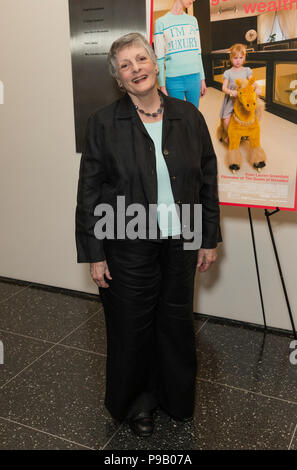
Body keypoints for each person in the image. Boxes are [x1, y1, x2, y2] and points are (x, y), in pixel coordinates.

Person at [75, 32, 221, 437]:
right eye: (125, 65)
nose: (135, 68)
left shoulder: (189, 116)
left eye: (141, 59)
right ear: (119, 79)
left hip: (181, 238)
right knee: (131, 325)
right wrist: (95, 252)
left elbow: (207, 178)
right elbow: (89, 191)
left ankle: (175, 398)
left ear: (156, 64)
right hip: (125, 240)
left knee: (175, 321)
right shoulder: (104, 123)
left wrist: (207, 237)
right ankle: (137, 404)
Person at [154, 0, 206, 108]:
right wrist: (162, 86)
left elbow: (198, 52)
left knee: (193, 115)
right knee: (177, 117)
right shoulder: (161, 22)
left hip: (194, 77)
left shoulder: (192, 20)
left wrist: (202, 78)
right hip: (173, 80)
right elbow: (159, 58)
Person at [220, 43, 262, 144]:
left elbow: (253, 83)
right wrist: (231, 92)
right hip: (232, 98)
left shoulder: (247, 71)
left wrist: (257, 88)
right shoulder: (228, 72)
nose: (238, 60)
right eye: (235, 58)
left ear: (244, 58)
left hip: (245, 99)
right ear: (231, 58)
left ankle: (247, 133)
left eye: (240, 57)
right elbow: (224, 88)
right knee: (226, 119)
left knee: (255, 114)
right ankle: (230, 134)